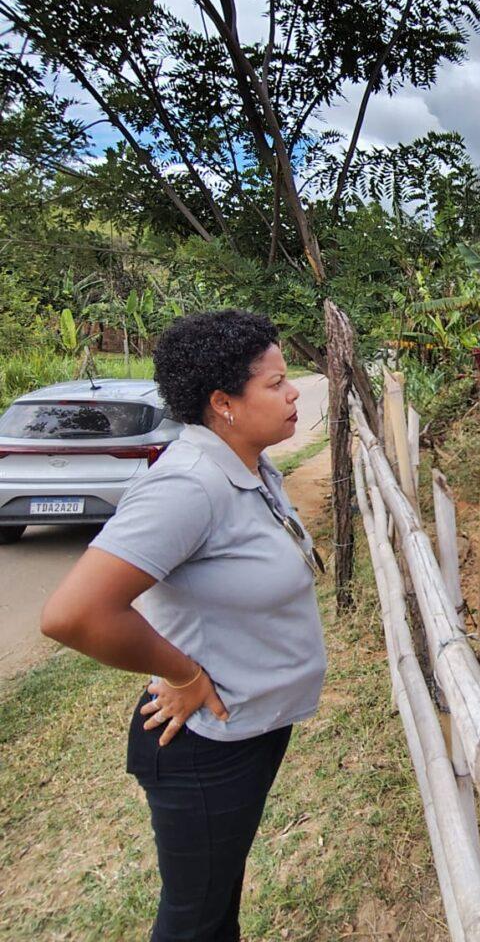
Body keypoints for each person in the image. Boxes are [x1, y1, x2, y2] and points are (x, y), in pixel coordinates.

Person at [41, 309, 327, 942]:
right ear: (223, 403)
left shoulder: (249, 468)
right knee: (195, 921)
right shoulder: (188, 486)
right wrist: (184, 673)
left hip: (249, 731)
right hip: (205, 749)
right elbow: (73, 615)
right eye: (276, 382)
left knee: (217, 904)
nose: (293, 393)